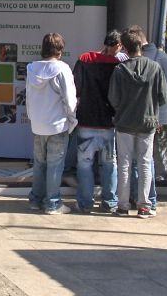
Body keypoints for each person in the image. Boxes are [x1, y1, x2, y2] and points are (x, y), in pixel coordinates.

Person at [108, 27, 167, 219]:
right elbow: (164, 96)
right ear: (141, 46)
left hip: (124, 122)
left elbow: (113, 98)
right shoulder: (155, 67)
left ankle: (122, 206)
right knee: (144, 163)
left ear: (125, 49)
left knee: (124, 164)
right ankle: (144, 206)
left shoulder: (119, 69)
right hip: (147, 122)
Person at [26, 33, 77, 215]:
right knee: (55, 165)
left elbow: (28, 97)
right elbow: (70, 99)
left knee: (39, 164)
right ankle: (53, 203)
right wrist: (72, 119)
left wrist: (32, 118)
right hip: (57, 124)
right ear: (60, 50)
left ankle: (36, 199)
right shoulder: (63, 69)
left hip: (38, 124)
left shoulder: (31, 68)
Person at [73, 30, 123, 214]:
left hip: (86, 120)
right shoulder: (118, 66)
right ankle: (109, 202)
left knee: (84, 165)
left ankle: (85, 203)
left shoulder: (84, 59)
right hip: (108, 123)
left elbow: (75, 88)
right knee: (109, 165)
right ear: (118, 46)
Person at [129, 25, 167, 210]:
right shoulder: (164, 58)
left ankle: (142, 198)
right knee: (148, 159)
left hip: (139, 116)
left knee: (138, 160)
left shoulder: (139, 60)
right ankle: (148, 199)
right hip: (157, 115)